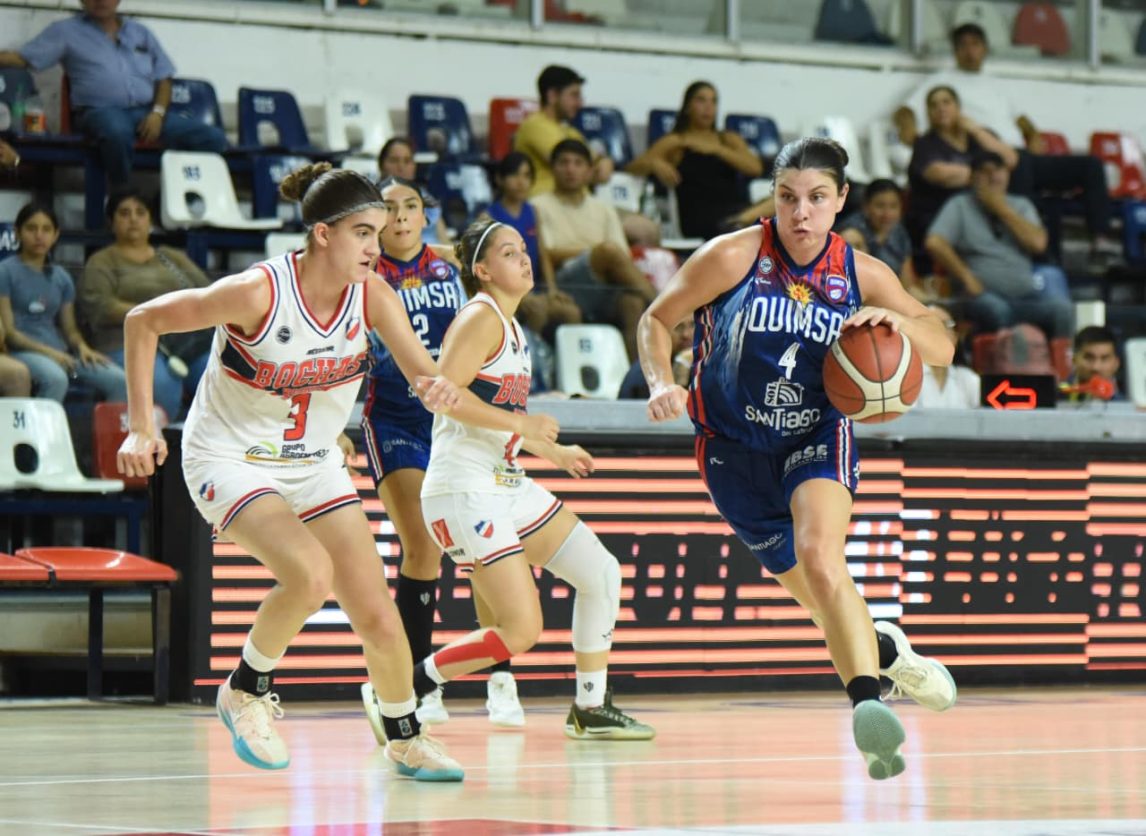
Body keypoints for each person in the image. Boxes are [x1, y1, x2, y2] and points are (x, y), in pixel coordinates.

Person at [115, 162, 465, 781]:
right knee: (308, 574)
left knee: (378, 615)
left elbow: (424, 375)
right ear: (323, 235)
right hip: (228, 457)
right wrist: (142, 424)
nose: (374, 248)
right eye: (362, 233)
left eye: (379, 233)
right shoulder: (258, 292)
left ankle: (405, 734)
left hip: (311, 463)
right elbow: (143, 320)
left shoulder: (374, 294)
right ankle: (245, 689)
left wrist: (457, 393)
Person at [638, 137, 957, 780]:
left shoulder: (862, 272)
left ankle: (868, 707)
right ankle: (888, 652)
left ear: (840, 200)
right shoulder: (731, 256)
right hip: (730, 448)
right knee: (821, 600)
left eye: (816, 199)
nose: (800, 214)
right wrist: (657, 381)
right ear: (774, 199)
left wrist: (897, 326)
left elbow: (941, 343)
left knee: (821, 556)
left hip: (816, 434)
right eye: (788, 198)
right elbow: (654, 318)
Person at [411, 217, 655, 742]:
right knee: (521, 630)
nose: (523, 259)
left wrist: (552, 449)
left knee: (601, 573)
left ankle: (590, 706)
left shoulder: (514, 327)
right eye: (508, 252)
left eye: (524, 250)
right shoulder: (480, 317)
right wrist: (524, 425)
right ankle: (408, 687)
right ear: (481, 270)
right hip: (463, 487)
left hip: (502, 479)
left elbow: (495, 417)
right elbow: (443, 393)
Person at [357, 175, 526, 731]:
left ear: (425, 216)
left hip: (458, 424)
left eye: (411, 206)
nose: (401, 217)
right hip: (396, 417)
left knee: (485, 551)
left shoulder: (453, 269)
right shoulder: (363, 274)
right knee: (422, 549)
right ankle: (408, 688)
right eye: (389, 209)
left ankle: (499, 679)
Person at [896, 22, 1114, 259]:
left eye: (975, 45)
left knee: (1091, 166)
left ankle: (1100, 240)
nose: (970, 51)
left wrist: (1032, 136)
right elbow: (905, 111)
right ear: (955, 51)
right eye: (963, 46)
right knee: (1018, 172)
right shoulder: (943, 82)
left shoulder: (996, 84)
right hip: (990, 157)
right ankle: (1034, 253)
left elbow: (1021, 119)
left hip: (1019, 154)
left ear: (985, 49)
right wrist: (910, 135)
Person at [0, 0, 227, 186]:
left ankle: (180, 198)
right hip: (98, 112)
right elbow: (23, 58)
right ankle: (121, 197)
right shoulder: (66, 31)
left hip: (145, 114)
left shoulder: (140, 32)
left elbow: (164, 77)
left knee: (213, 139)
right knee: (116, 131)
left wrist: (157, 113)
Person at [78, 188, 212, 419]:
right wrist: (155, 316)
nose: (133, 219)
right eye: (124, 213)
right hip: (126, 340)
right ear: (111, 222)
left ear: (150, 220)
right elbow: (101, 307)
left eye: (140, 212)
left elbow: (207, 292)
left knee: (217, 375)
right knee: (163, 383)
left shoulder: (171, 256)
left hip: (182, 340)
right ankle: (159, 447)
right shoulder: (102, 260)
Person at [924, 150, 1073, 340]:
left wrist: (1001, 208)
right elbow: (935, 242)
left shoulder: (1021, 205)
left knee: (1062, 310)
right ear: (972, 177)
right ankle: (1005, 367)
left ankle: (1063, 368)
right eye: (985, 171)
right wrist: (966, 276)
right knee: (995, 310)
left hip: (1026, 296)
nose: (993, 176)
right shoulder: (960, 205)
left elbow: (1038, 244)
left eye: (999, 170)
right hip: (981, 296)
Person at [532, 139, 657, 361]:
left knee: (632, 303)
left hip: (603, 285)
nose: (570, 169)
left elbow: (623, 257)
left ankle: (632, 380)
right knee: (606, 251)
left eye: (578, 163)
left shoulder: (604, 209)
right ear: (553, 169)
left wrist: (599, 255)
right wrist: (595, 253)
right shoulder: (538, 205)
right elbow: (547, 254)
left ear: (590, 171)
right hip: (562, 282)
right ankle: (663, 307)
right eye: (564, 163)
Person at [0, 202, 126, 402]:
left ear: (56, 235)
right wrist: (51, 353)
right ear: (17, 232)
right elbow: (10, 334)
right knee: (56, 379)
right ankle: (40, 434)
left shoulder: (61, 277)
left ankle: (106, 433)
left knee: (119, 380)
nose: (39, 235)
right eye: (32, 228)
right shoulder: (5, 271)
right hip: (21, 352)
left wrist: (83, 348)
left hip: (60, 352)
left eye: (46, 229)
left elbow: (70, 329)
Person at [626, 81, 763, 240]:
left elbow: (755, 168)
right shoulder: (677, 141)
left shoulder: (727, 140)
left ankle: (743, 219)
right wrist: (654, 163)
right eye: (701, 100)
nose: (708, 107)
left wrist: (717, 150)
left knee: (786, 201)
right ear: (687, 107)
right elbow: (632, 167)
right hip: (702, 216)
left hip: (736, 209)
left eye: (713, 101)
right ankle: (746, 220)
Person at [905, 85, 1017, 271]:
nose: (940, 108)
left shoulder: (978, 137)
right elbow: (939, 174)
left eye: (946, 102)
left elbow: (1010, 160)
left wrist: (976, 130)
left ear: (958, 107)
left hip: (982, 208)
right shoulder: (925, 144)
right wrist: (990, 175)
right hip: (940, 214)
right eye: (934, 105)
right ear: (928, 113)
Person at [484, 152, 581, 349]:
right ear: (500, 179)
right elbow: (489, 268)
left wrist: (552, 290)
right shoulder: (488, 217)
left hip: (534, 290)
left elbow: (542, 254)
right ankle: (530, 366)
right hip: (504, 294)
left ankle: (559, 368)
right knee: (538, 310)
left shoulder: (533, 211)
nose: (521, 182)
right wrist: (519, 295)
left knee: (571, 312)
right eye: (515, 175)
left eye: (527, 176)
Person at [514, 65, 613, 197]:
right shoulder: (534, 125)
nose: (579, 104)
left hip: (577, 203)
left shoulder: (571, 132)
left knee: (637, 218)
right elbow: (573, 169)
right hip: (545, 204)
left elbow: (597, 163)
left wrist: (604, 161)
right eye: (574, 95)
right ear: (552, 95)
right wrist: (597, 168)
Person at [838, 179, 919, 296]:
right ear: (866, 207)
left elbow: (908, 285)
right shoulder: (851, 234)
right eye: (880, 206)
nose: (887, 214)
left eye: (893, 206)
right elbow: (854, 282)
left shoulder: (899, 233)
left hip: (890, 300)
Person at [377, 137, 451, 245]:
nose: (401, 167)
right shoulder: (373, 200)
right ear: (381, 165)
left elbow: (444, 239)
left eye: (407, 161)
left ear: (414, 166)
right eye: (394, 160)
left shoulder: (426, 197)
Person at [915, 304, 980, 409]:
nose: (940, 332)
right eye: (932, 325)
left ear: (956, 337)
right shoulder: (904, 378)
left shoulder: (969, 380)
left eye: (946, 325)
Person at [1063, 325, 1125, 403]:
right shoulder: (1055, 399)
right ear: (1074, 360)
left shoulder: (1129, 406)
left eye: (1104, 359)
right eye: (1089, 358)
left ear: (1116, 364)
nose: (1096, 367)